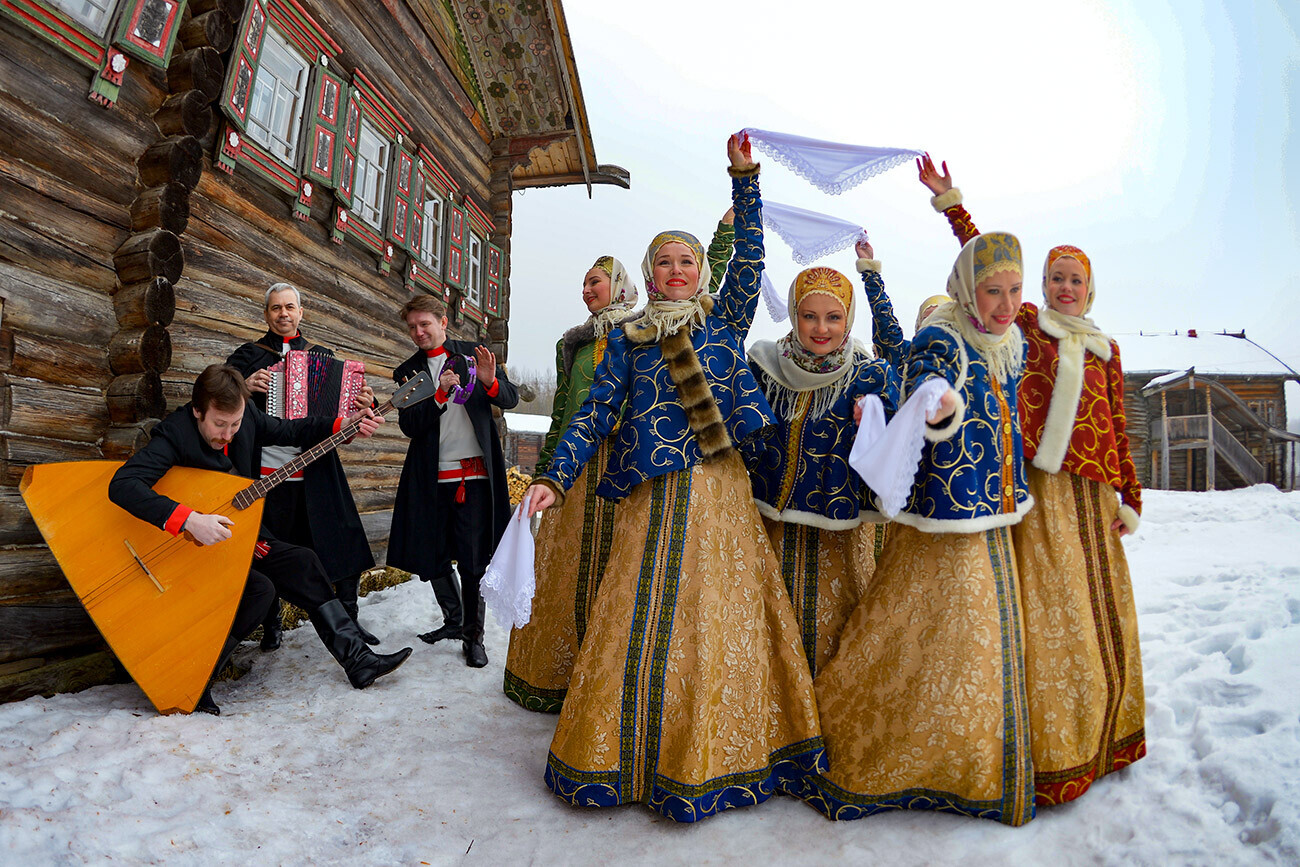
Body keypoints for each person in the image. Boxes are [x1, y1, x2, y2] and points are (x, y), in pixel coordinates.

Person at [524, 134, 824, 823]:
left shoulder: (723, 321)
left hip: (718, 495)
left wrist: (744, 178)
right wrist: (555, 477)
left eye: (688, 259)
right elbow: (596, 412)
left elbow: (750, 256)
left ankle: (714, 752)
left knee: (715, 617)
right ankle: (626, 753)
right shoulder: (629, 342)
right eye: (666, 261)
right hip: (651, 499)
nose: (679, 269)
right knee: (641, 616)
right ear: (651, 276)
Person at [918, 154, 1146, 804]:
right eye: (1055, 278)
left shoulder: (1105, 347)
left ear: (1090, 287)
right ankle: (1056, 744)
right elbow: (987, 265)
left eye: (1075, 279)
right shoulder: (1027, 327)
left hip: (1094, 495)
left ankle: (1111, 733)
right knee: (1055, 613)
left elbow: (1119, 428)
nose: (1065, 287)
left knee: (1103, 611)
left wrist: (1127, 495)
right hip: (1044, 492)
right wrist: (952, 205)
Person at [798, 231, 1036, 826]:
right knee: (932, 631)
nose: (1004, 304)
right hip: (946, 515)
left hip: (995, 512)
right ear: (965, 289)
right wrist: (939, 408)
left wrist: (952, 206)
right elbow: (930, 380)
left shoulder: (1008, 343)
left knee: (977, 643)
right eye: (991, 291)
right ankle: (890, 749)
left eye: (1013, 290)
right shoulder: (941, 337)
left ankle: (969, 762)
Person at [107, 365, 411, 715]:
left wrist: (341, 425)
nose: (228, 434)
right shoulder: (175, 434)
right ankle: (194, 681)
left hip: (239, 536)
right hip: (188, 549)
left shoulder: (246, 417)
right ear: (197, 411)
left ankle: (359, 661)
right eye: (219, 425)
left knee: (304, 562)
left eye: (234, 424)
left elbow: (289, 428)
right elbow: (124, 485)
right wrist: (188, 520)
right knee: (259, 591)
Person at [745, 243, 899, 676]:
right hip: (768, 528)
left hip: (837, 536)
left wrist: (876, 415)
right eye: (810, 316)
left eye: (833, 317)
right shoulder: (763, 364)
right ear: (794, 315)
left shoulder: (868, 374)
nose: (820, 328)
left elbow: (894, 440)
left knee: (831, 636)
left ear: (848, 319)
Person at [502, 256, 640, 712]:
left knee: (615, 569)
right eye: (583, 283)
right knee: (565, 570)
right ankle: (553, 676)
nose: (587, 290)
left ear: (618, 285)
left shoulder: (642, 333)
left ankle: (606, 684)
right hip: (575, 471)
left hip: (623, 470)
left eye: (595, 282)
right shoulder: (575, 345)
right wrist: (545, 470)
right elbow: (562, 414)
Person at [226, 282, 379, 650]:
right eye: (276, 308)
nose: (283, 314)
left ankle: (350, 621)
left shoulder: (321, 355)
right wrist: (244, 386)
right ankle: (271, 625)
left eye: (289, 307)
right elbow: (221, 396)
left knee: (342, 540)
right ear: (266, 314)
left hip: (316, 466)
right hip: (265, 472)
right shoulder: (247, 356)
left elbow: (342, 413)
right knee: (271, 546)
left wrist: (362, 401)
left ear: (300, 312)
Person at [388, 295, 519, 668]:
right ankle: (453, 620)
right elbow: (410, 425)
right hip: (429, 477)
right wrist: (440, 395)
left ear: (443, 321)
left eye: (425, 324)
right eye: (412, 327)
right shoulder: (408, 372)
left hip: (473, 474)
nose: (419, 332)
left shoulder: (474, 354)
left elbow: (510, 398)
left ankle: (473, 637)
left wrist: (491, 381)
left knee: (474, 560)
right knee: (432, 555)